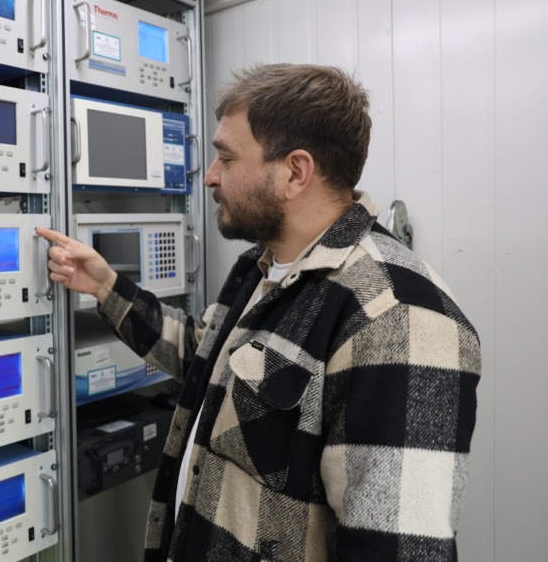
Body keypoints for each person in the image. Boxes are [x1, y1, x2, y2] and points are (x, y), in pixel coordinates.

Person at [36, 63, 481, 561]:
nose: (210, 176)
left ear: (295, 172)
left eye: (226, 158)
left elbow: (395, 552)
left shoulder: (399, 317)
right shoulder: (264, 266)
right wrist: (104, 286)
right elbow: (202, 359)